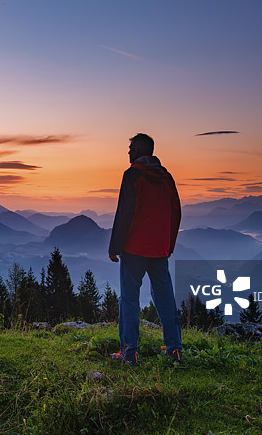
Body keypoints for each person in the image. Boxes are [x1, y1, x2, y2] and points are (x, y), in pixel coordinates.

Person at [108, 133, 182, 365]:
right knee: (165, 297)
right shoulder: (166, 177)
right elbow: (176, 211)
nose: (128, 152)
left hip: (134, 248)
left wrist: (114, 247)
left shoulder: (132, 175)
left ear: (139, 150)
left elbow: (125, 213)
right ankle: (175, 350)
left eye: (131, 148)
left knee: (129, 299)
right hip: (159, 249)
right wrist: (169, 245)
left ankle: (129, 353)